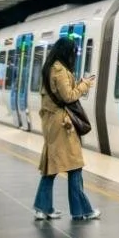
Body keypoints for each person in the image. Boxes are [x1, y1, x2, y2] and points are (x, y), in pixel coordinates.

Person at [33, 35, 99, 223]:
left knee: (51, 166)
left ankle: (42, 208)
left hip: (52, 122)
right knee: (75, 166)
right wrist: (85, 85)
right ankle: (82, 211)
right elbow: (68, 96)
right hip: (63, 124)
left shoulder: (50, 68)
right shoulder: (60, 71)